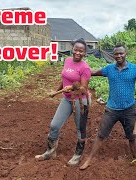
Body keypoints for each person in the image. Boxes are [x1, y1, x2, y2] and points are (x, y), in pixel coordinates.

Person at [79, 44, 136, 170]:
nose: (119, 56)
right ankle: (89, 159)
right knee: (101, 135)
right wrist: (81, 71)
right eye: (116, 54)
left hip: (128, 109)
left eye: (121, 53)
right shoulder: (109, 69)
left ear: (126, 54)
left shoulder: (134, 69)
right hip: (112, 110)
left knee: (132, 136)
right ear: (113, 55)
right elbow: (93, 73)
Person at [35, 38, 91, 166]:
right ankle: (50, 151)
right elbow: (65, 78)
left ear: (85, 53)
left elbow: (83, 88)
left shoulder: (85, 68)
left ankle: (77, 155)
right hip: (67, 99)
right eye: (76, 49)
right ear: (72, 49)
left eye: (81, 51)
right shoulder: (67, 61)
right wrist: (56, 92)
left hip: (80, 101)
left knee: (80, 128)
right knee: (54, 125)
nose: (77, 53)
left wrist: (72, 87)